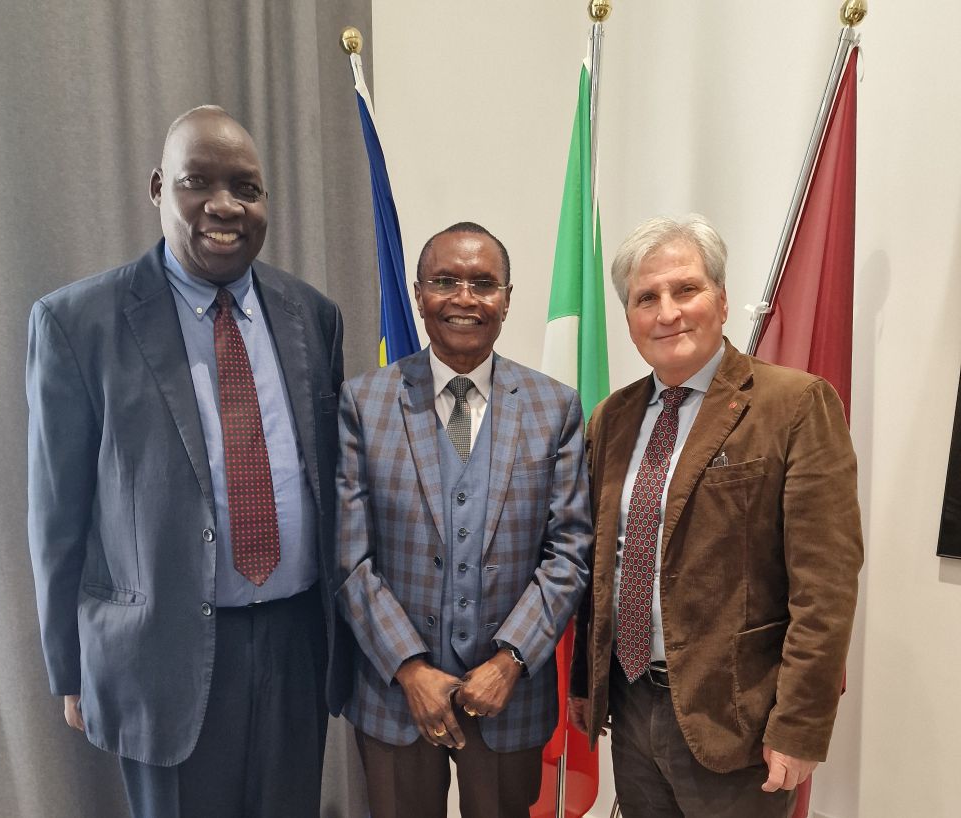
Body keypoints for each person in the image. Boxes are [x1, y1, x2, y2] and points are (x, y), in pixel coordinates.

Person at [26, 106, 349, 818]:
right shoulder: (78, 324)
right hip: (159, 653)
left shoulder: (312, 315)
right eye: (197, 181)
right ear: (156, 187)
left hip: (296, 644)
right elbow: (56, 514)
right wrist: (69, 667)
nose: (224, 206)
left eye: (246, 188)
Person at [569, 214, 864, 818]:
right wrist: (584, 682)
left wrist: (800, 725)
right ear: (628, 318)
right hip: (629, 706)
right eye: (646, 298)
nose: (667, 312)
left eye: (686, 289)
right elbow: (599, 564)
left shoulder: (794, 405)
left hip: (739, 719)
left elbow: (825, 586)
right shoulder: (611, 418)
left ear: (722, 300)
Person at [335, 222, 592, 818]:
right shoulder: (364, 402)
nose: (464, 298)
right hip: (393, 696)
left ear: (507, 298)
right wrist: (409, 668)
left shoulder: (555, 407)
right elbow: (349, 557)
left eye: (483, 283)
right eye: (445, 281)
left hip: (509, 696)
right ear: (419, 293)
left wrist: (510, 660)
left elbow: (570, 551)